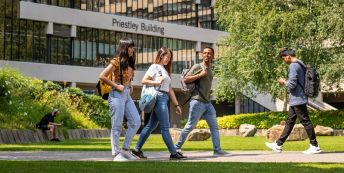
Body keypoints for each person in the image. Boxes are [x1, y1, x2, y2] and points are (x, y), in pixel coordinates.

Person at [132, 47, 186, 160]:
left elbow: (170, 89)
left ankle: (137, 150)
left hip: (164, 97)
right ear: (161, 56)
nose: (169, 59)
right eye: (167, 57)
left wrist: (176, 105)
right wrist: (156, 82)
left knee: (151, 125)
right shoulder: (155, 67)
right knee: (165, 127)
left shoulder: (165, 70)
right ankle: (173, 152)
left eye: (170, 57)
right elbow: (144, 80)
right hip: (159, 97)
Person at [174, 47, 230, 156]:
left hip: (207, 103)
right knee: (190, 126)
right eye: (204, 53)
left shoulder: (210, 69)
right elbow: (185, 79)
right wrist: (200, 75)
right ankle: (176, 148)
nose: (206, 55)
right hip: (197, 102)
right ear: (202, 55)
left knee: (214, 127)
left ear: (213, 56)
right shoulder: (198, 67)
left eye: (209, 53)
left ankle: (217, 150)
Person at [265, 47, 321, 154]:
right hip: (297, 98)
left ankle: (315, 145)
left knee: (305, 121)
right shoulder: (301, 64)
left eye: (283, 58)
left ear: (288, 56)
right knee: (290, 122)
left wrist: (283, 82)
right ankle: (278, 145)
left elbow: (291, 85)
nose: (283, 61)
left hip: (298, 98)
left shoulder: (293, 66)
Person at [99, 38, 141, 161]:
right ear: (124, 48)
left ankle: (125, 150)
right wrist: (116, 86)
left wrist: (130, 86)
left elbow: (127, 78)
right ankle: (116, 154)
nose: (133, 49)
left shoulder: (130, 62)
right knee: (117, 124)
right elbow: (102, 76)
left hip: (127, 95)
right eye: (130, 47)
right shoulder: (116, 61)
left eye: (133, 47)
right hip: (116, 94)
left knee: (136, 121)